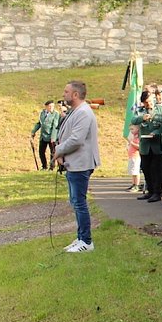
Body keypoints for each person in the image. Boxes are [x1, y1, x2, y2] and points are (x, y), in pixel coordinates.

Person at [54, 80, 100, 253]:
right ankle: (81, 237)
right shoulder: (76, 111)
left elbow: (76, 139)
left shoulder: (83, 112)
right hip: (74, 162)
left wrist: (59, 150)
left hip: (81, 163)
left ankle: (86, 241)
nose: (63, 94)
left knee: (79, 203)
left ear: (75, 94)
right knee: (75, 201)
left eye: (66, 92)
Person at [133, 90, 162, 202]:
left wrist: (156, 132)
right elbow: (133, 120)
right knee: (146, 168)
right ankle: (150, 191)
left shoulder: (161, 109)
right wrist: (142, 118)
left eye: (150, 101)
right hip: (145, 145)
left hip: (157, 144)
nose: (149, 104)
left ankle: (157, 192)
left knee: (156, 170)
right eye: (146, 102)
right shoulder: (140, 110)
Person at [30, 100, 60, 170]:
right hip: (43, 136)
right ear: (46, 107)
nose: (51, 108)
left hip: (51, 136)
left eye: (52, 106)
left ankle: (51, 167)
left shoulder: (56, 114)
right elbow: (39, 123)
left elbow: (55, 126)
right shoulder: (42, 113)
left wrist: (53, 137)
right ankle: (44, 166)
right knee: (41, 151)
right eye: (50, 106)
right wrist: (33, 131)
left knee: (52, 152)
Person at [126, 124, 141, 192]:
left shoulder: (138, 137)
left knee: (136, 171)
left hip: (136, 157)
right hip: (131, 156)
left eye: (132, 129)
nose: (131, 131)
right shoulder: (134, 137)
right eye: (130, 129)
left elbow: (139, 146)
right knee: (132, 171)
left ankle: (137, 185)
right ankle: (133, 184)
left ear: (137, 129)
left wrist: (131, 143)